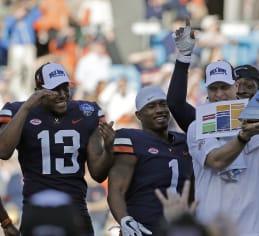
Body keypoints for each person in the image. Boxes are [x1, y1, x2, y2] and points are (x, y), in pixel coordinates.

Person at [167, 12, 259, 211]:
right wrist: (183, 58)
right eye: (238, 85)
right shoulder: (205, 122)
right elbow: (176, 104)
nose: (242, 91)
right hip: (217, 216)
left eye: (249, 86)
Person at [0, 62, 115, 236]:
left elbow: (98, 174)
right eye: (55, 89)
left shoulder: (87, 112)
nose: (62, 94)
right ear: (38, 90)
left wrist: (109, 149)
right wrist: (27, 107)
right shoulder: (18, 110)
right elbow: (3, 151)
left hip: (75, 208)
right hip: (37, 209)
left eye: (65, 88)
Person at [187, 59, 259, 235]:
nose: (219, 94)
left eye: (224, 87)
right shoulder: (197, 126)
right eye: (213, 88)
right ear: (206, 90)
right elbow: (215, 160)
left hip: (258, 226)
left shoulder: (254, 116)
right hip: (215, 228)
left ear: (235, 86)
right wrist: (244, 137)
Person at [107, 86, 194, 235]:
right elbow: (116, 190)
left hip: (178, 229)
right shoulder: (132, 140)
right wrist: (125, 220)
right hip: (142, 229)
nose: (159, 110)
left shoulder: (185, 141)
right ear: (139, 115)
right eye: (151, 106)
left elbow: (192, 187)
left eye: (163, 104)